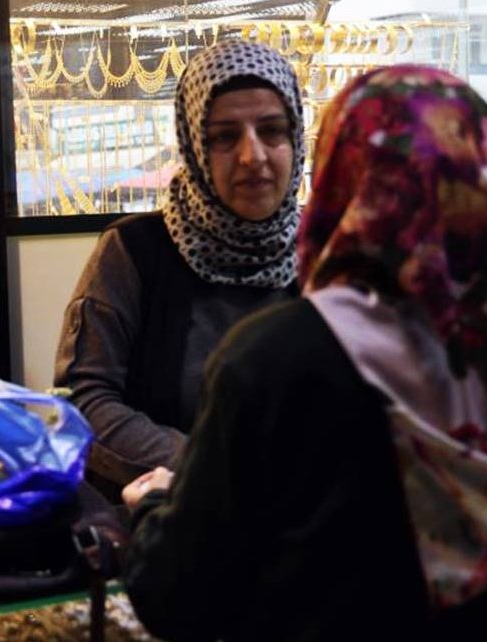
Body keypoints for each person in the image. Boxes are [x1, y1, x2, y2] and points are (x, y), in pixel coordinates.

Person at [123, 66, 487, 642]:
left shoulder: (277, 359)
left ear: (342, 181)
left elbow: (183, 602)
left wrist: (152, 509)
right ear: (486, 170)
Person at [54, 39, 303, 499]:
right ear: (192, 145)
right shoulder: (135, 252)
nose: (253, 156)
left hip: (302, 537)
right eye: (225, 137)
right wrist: (211, 467)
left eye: (271, 130)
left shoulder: (324, 255)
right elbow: (85, 401)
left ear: (297, 139)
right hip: (162, 531)